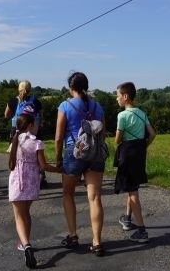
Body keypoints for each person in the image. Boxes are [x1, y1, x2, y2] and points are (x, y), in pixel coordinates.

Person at [54, 71, 107, 256]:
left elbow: (59, 136)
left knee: (68, 193)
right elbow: (103, 132)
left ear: (71, 88)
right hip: (96, 155)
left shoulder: (65, 106)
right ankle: (97, 242)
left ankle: (73, 235)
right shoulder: (98, 106)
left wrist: (58, 157)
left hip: (74, 153)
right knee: (95, 198)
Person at [8, 113, 60, 269]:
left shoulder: (15, 141)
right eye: (36, 123)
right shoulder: (36, 143)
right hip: (31, 182)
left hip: (16, 181)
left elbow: (11, 162)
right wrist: (59, 170)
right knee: (26, 213)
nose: (37, 126)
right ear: (30, 125)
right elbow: (43, 166)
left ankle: (26, 245)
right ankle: (26, 242)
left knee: (19, 216)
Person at [114, 82, 156, 243]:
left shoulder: (122, 116)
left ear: (125, 97)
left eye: (118, 95)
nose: (117, 99)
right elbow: (152, 134)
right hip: (139, 154)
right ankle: (127, 218)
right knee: (133, 187)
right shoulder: (141, 113)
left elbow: (118, 139)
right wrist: (144, 145)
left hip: (127, 155)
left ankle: (142, 231)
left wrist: (120, 140)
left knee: (132, 193)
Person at [4, 80, 47, 188]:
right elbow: (42, 116)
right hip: (33, 130)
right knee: (36, 154)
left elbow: (6, 115)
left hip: (17, 130)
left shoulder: (13, 101)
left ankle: (17, 177)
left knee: (15, 153)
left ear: (18, 89)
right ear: (30, 89)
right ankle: (41, 176)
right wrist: (40, 124)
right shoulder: (36, 102)